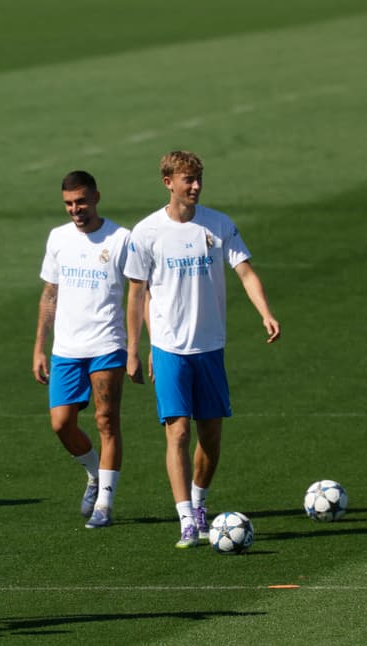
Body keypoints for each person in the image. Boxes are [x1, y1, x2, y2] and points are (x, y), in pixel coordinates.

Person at [124, 150, 281, 549]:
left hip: (210, 347)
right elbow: (137, 294)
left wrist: (266, 313)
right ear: (168, 183)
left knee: (210, 438)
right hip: (170, 347)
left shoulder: (218, 224)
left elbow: (245, 272)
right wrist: (134, 350)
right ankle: (186, 521)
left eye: (198, 179)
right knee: (177, 432)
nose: (195, 186)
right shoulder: (146, 232)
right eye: (187, 179)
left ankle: (198, 502)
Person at [33, 170, 142, 529]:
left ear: (96, 197)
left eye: (81, 201)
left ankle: (105, 505)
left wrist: (135, 348)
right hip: (66, 348)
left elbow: (138, 294)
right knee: (61, 423)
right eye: (68, 203)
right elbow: (50, 294)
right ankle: (95, 473)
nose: (75, 209)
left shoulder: (121, 239)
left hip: (107, 344)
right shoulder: (58, 238)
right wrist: (39, 347)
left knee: (106, 420)